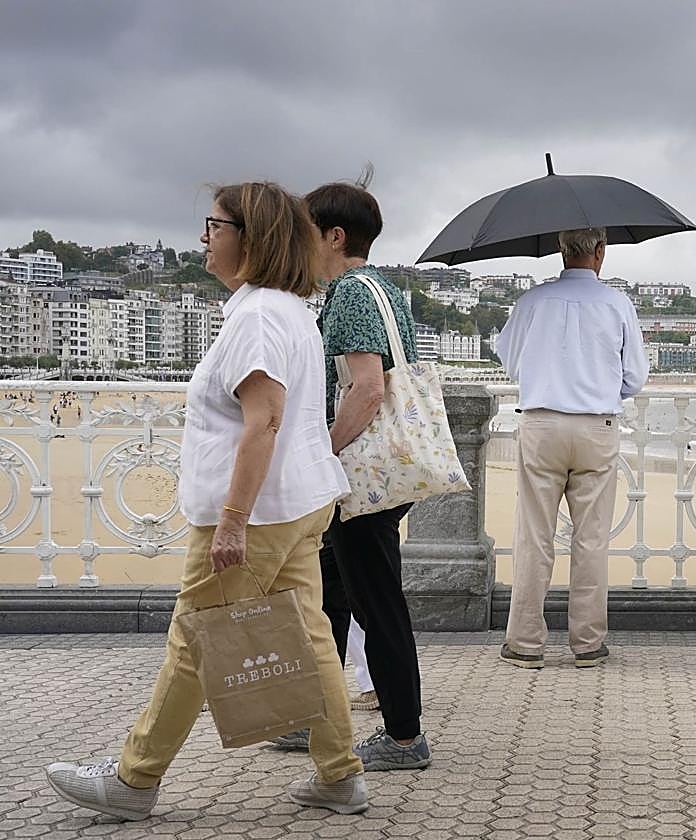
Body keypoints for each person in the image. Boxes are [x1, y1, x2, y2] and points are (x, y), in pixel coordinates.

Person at [44, 182, 368, 818]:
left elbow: (263, 422)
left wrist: (231, 522)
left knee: (195, 640)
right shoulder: (290, 309)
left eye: (214, 225)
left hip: (260, 513)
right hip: (302, 501)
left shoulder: (256, 318)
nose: (203, 236)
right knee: (311, 635)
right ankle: (339, 775)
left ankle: (134, 779)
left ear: (249, 238)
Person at [269, 177, 431, 772]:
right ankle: (316, 715)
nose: (298, 246)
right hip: (384, 470)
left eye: (306, 234)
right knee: (331, 586)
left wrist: (323, 449)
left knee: (375, 598)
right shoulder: (381, 288)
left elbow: (366, 388)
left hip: (364, 474)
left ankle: (405, 736)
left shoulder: (352, 296)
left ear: (334, 237)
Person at [495, 227, 648, 669]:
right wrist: (598, 387)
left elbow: (509, 360)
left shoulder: (532, 302)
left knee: (534, 536)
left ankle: (525, 641)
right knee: (592, 539)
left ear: (561, 250)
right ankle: (587, 642)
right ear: (600, 251)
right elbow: (634, 377)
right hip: (596, 426)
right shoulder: (618, 304)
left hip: (542, 423)